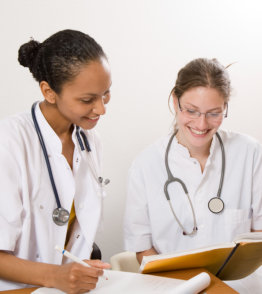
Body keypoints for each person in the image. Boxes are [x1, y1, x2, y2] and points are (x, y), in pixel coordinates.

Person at [124, 58, 262, 293]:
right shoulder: (145, 165)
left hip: (239, 289)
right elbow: (142, 248)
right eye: (191, 111)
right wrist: (192, 286)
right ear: (174, 100)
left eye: (214, 113)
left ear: (225, 107)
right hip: (176, 288)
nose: (201, 124)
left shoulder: (250, 153)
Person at [0, 29, 112, 292]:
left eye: (105, 93)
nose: (101, 109)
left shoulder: (89, 142)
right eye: (88, 99)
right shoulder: (9, 142)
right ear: (49, 92)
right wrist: (57, 276)